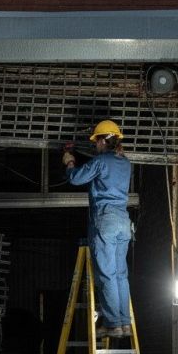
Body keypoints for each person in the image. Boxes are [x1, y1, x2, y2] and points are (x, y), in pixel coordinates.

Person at [62, 120, 132, 338]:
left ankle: (112, 324)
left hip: (106, 220)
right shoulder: (125, 162)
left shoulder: (101, 161)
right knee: (120, 275)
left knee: (107, 275)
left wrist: (69, 162)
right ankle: (123, 323)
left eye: (96, 141)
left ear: (102, 140)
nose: (95, 146)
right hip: (123, 220)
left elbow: (76, 179)